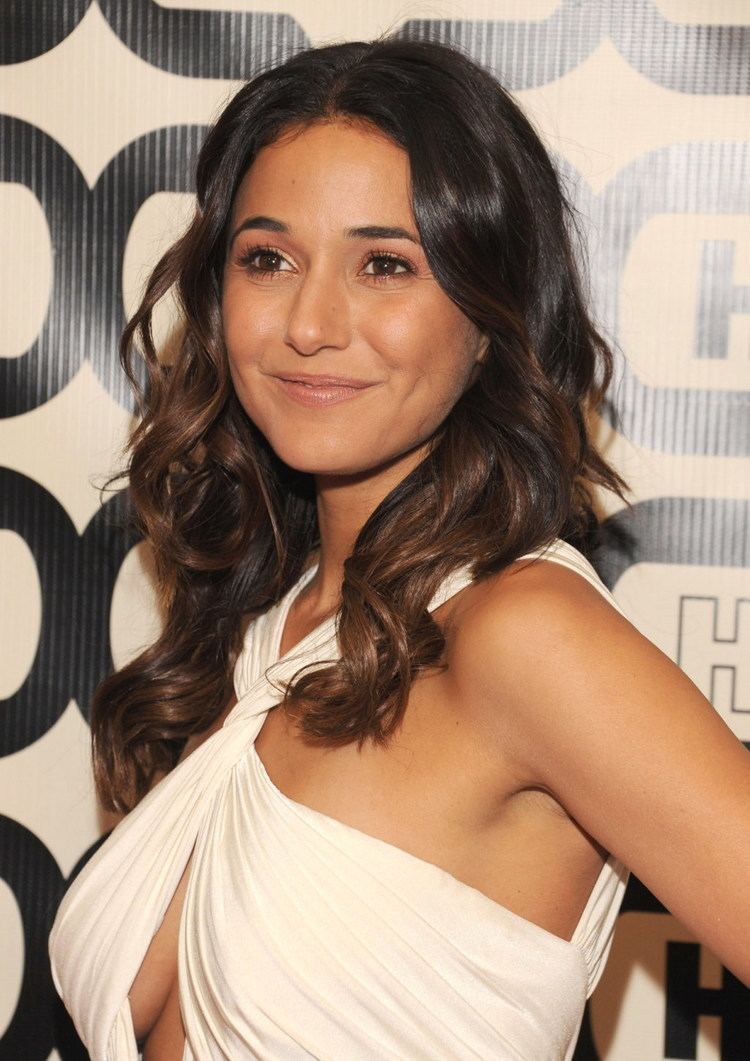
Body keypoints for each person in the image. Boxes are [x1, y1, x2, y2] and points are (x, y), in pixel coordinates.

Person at [48, 35, 750, 1061]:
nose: (311, 322)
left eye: (385, 265)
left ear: (489, 316)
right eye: (268, 258)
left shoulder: (523, 633)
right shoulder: (258, 628)